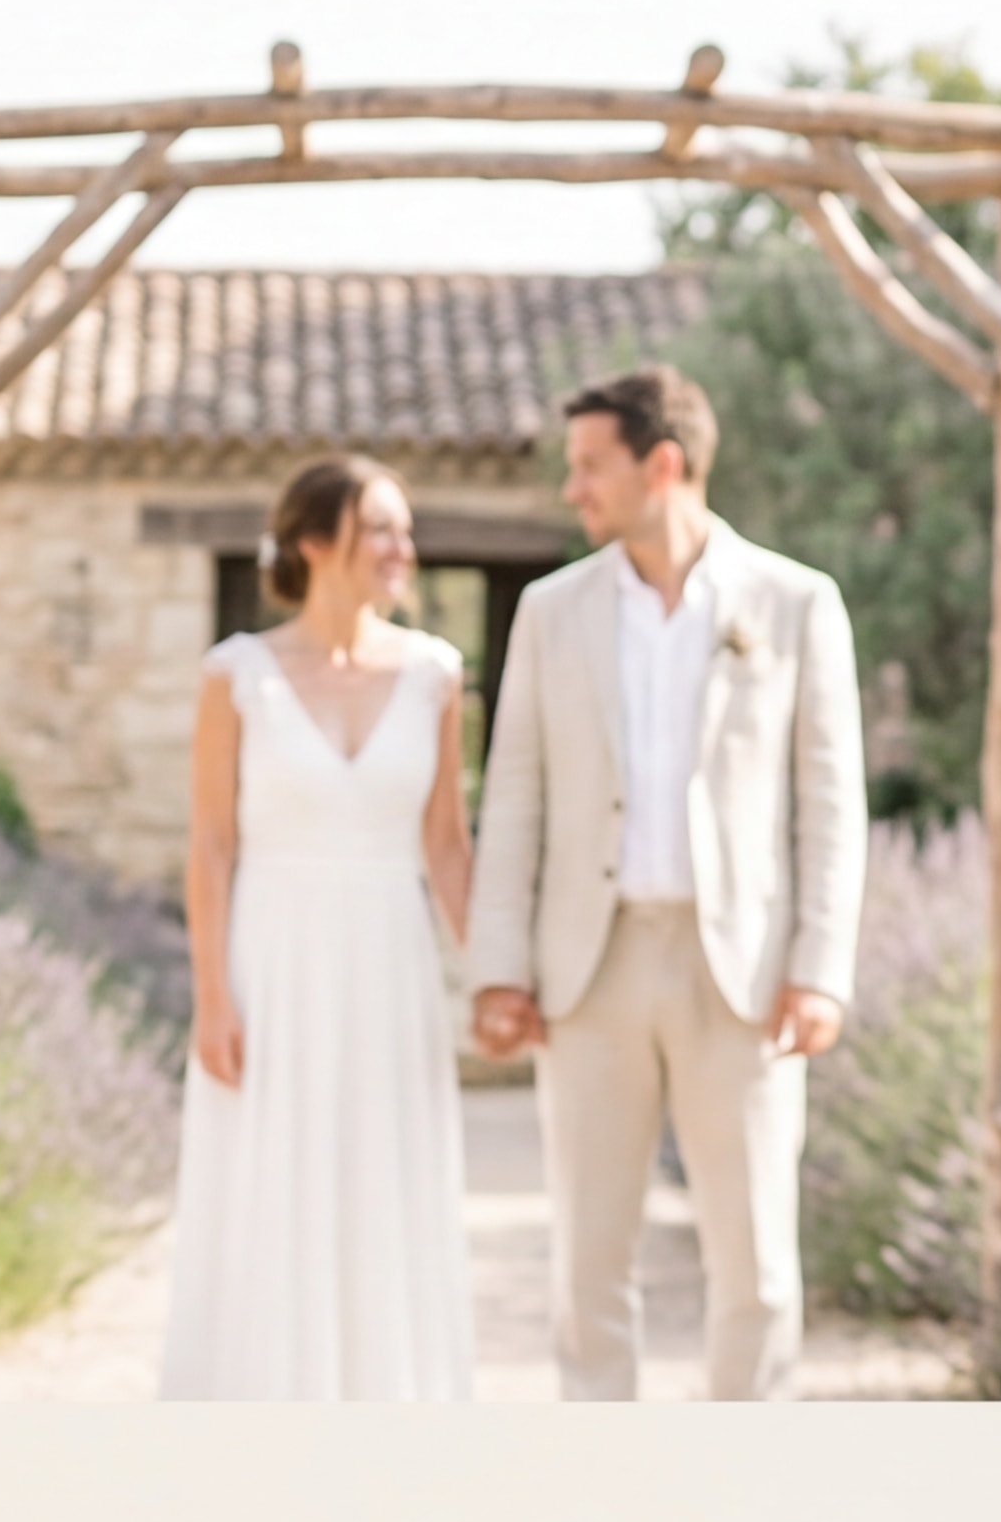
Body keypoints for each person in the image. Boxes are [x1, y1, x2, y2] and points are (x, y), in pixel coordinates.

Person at [462, 367, 863, 1400]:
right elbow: (514, 797)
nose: (573, 490)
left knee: (757, 1263)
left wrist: (820, 968)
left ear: (664, 465)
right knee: (589, 1261)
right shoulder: (551, 611)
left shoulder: (796, 602)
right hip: (590, 970)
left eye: (591, 466)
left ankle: (741, 1480)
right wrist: (497, 968)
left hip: (743, 973)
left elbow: (829, 800)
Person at [161, 456, 480, 1401]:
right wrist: (212, 997)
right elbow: (210, 842)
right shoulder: (236, 675)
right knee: (272, 1184)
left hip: (390, 961)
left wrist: (500, 977)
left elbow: (447, 844)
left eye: (404, 529)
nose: (401, 548)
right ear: (312, 542)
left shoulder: (434, 674)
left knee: (386, 1182)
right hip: (273, 961)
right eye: (379, 527)